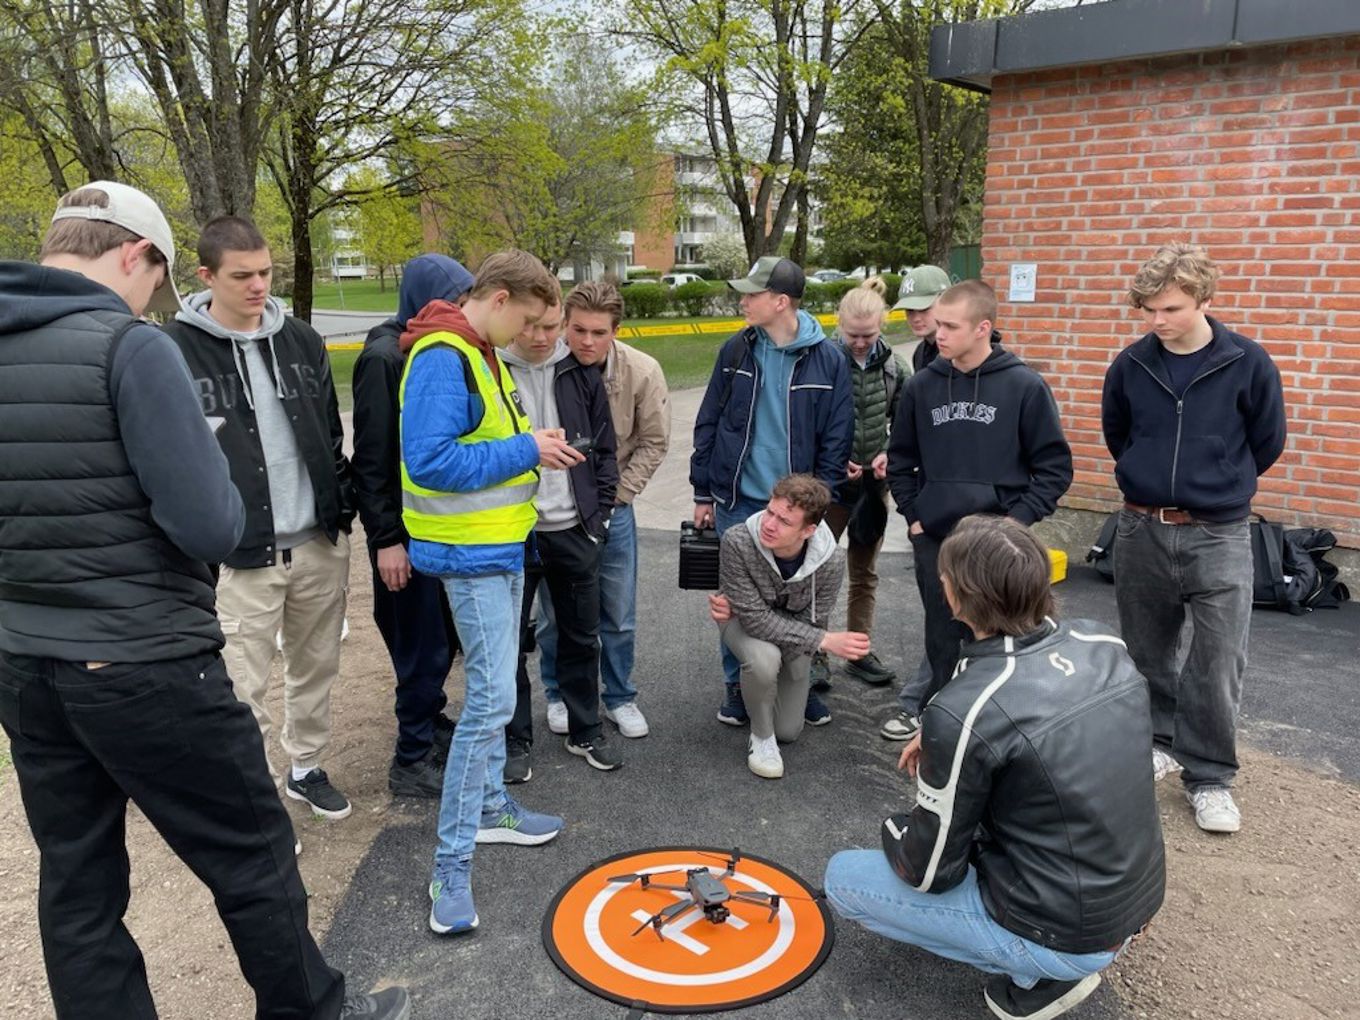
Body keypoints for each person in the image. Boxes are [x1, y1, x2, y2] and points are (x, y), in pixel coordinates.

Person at [0, 181, 406, 1019]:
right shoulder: (131, 346)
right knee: (252, 857)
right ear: (134, 255)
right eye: (156, 273)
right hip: (142, 659)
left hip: (25, 663)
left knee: (78, 884)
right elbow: (211, 523)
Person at [824, 515, 1164, 1020]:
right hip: (1137, 900)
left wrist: (896, 826)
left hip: (1067, 930)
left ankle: (1042, 974)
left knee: (842, 878)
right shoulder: (1101, 642)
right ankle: (1062, 953)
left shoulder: (963, 710)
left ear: (955, 597)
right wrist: (954, 733)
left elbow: (929, 872)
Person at [399, 249, 581, 935]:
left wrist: (534, 444)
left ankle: (492, 807)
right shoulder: (446, 355)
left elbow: (489, 444)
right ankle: (450, 867)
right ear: (499, 298)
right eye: (530, 321)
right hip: (470, 556)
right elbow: (434, 461)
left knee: (498, 684)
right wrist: (528, 450)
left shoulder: (477, 352)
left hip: (502, 547)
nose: (535, 337)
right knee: (490, 703)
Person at [164, 216, 356, 821]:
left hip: (317, 541)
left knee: (316, 664)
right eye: (241, 275)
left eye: (266, 272)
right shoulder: (171, 349)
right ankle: (255, 798)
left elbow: (328, 429)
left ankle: (305, 767)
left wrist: (340, 509)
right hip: (239, 554)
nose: (257, 286)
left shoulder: (301, 338)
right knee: (241, 685)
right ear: (206, 276)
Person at [1101, 243, 1286, 834]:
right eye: (1148, 309)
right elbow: (1119, 434)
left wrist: (1220, 483)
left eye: (1171, 308)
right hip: (1141, 527)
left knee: (1217, 659)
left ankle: (1209, 777)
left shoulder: (1248, 362)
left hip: (1220, 532)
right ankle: (1157, 743)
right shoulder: (1131, 366)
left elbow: (1267, 440)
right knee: (1147, 650)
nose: (1157, 321)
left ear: (1205, 300)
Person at [885, 280, 1072, 729]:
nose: (938, 333)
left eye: (950, 325)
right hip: (936, 537)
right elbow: (900, 460)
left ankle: (1004, 726)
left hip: (999, 541)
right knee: (943, 635)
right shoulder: (922, 387)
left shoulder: (1024, 386)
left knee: (1004, 634)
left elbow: (1054, 469)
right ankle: (942, 724)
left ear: (982, 328)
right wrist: (914, 515)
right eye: (938, 324)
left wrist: (1016, 521)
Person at [691, 256, 853, 729]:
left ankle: (796, 680)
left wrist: (818, 508)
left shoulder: (830, 359)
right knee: (736, 600)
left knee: (802, 597)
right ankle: (738, 685)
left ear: (780, 301)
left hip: (797, 506)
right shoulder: (735, 351)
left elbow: (837, 437)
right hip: (738, 499)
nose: (741, 301)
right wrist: (704, 491)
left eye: (751, 294)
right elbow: (709, 421)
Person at [352, 254, 473, 798]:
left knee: (440, 637)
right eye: (456, 296)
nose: (463, 307)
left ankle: (431, 720)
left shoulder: (430, 348)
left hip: (434, 528)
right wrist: (387, 541)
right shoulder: (384, 358)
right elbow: (373, 460)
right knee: (419, 643)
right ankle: (411, 759)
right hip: (402, 535)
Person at [500, 288, 621, 782]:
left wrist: (600, 517)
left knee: (580, 636)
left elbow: (605, 450)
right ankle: (514, 739)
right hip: (512, 532)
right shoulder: (490, 367)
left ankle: (584, 728)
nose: (541, 336)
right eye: (531, 324)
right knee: (509, 644)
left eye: (551, 326)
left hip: (574, 528)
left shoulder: (580, 372)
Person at [541, 280, 670, 740]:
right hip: (558, 508)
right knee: (556, 612)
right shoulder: (546, 365)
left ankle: (619, 697)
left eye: (599, 332)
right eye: (577, 330)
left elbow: (654, 441)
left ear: (616, 330)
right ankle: (556, 692)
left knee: (617, 610)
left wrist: (617, 495)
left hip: (614, 503)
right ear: (564, 326)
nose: (587, 342)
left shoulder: (643, 371)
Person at [707, 475, 865, 779]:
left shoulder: (831, 560)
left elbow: (813, 620)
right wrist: (824, 641)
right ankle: (761, 738)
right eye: (770, 512)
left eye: (784, 521)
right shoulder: (738, 540)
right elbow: (753, 618)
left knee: (789, 731)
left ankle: (770, 703)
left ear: (808, 530)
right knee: (764, 660)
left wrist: (813, 635)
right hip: (741, 624)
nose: (769, 524)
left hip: (795, 632)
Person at [820, 277, 911, 688]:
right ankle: (814, 650)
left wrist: (889, 451)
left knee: (864, 572)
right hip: (830, 487)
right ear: (838, 326)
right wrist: (834, 460)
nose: (860, 343)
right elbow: (807, 421)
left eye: (868, 335)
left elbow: (909, 423)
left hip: (874, 487)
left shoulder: (896, 367)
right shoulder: (822, 359)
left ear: (883, 327)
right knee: (814, 570)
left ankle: (857, 650)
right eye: (853, 335)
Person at [880, 264, 952, 741]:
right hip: (927, 501)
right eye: (909, 310)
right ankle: (933, 697)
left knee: (958, 612)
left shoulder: (983, 361)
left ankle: (927, 702)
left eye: (924, 309)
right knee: (938, 611)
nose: (915, 318)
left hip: (970, 512)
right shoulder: (923, 357)